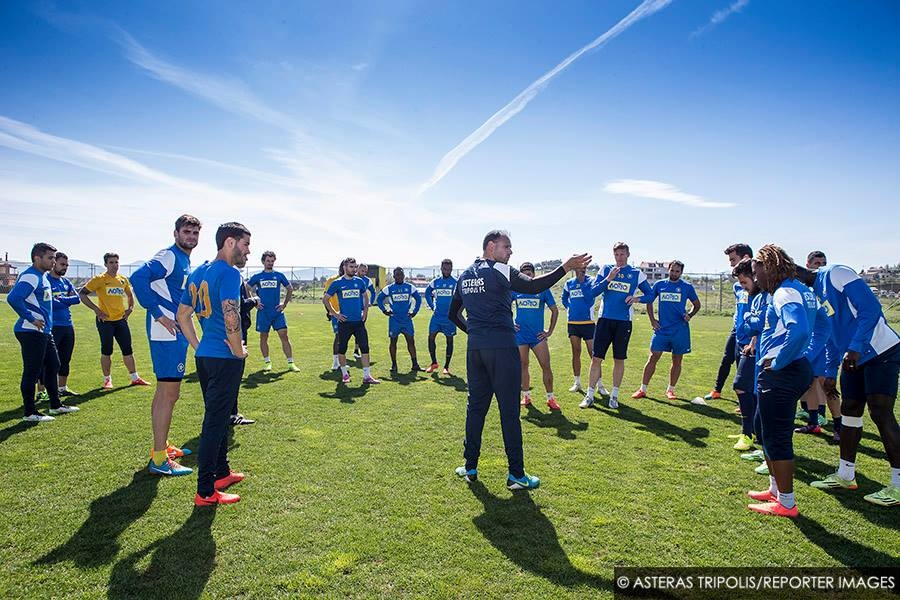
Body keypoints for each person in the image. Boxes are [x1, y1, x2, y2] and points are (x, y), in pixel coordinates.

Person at [448, 229, 590, 490]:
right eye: (507, 247)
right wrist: (565, 267)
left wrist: (476, 332)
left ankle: (469, 467)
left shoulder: (465, 275)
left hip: (476, 350)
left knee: (475, 408)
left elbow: (453, 314)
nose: (511, 252)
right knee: (509, 411)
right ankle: (516, 475)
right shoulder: (501, 270)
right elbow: (534, 286)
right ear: (491, 247)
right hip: (502, 349)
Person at [801, 264, 900, 507]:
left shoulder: (836, 273)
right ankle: (846, 475)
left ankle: (898, 485)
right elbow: (831, 334)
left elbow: (871, 309)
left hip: (880, 352)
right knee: (850, 411)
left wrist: (855, 346)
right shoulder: (812, 294)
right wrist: (830, 371)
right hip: (852, 358)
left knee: (880, 413)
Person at [177, 222, 251, 506]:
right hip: (225, 358)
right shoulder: (230, 273)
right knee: (215, 422)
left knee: (218, 418)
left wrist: (199, 346)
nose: (248, 252)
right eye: (245, 245)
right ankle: (206, 491)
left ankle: (222, 473)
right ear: (230, 242)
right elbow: (231, 314)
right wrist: (238, 350)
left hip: (207, 357)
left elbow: (182, 315)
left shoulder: (198, 272)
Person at [746, 245, 816, 519]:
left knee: (777, 436)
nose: (756, 278)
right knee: (764, 429)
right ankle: (775, 490)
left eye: (757, 272)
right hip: (792, 368)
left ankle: (786, 503)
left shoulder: (784, 292)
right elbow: (822, 324)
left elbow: (799, 331)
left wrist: (779, 361)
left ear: (769, 267)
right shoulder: (801, 290)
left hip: (782, 372)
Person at [130, 214, 201, 476]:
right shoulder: (169, 255)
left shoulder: (183, 259)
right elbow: (138, 277)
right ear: (176, 233)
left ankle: (162, 447)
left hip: (174, 331)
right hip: (166, 332)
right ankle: (159, 459)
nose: (191, 237)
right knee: (169, 394)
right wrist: (159, 314)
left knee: (165, 392)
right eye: (186, 232)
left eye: (195, 233)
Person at [8, 243, 79, 421]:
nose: (53, 261)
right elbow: (13, 298)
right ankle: (30, 413)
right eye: (50, 258)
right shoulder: (31, 276)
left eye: (54, 258)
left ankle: (55, 406)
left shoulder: (43, 276)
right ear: (37, 258)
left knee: (54, 365)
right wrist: (30, 318)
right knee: (32, 371)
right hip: (31, 330)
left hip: (45, 332)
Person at [581, 242, 653, 409]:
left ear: (628, 254)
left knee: (619, 359)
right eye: (616, 255)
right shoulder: (606, 269)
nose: (619, 258)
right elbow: (592, 292)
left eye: (622, 254)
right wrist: (609, 279)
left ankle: (614, 396)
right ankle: (589, 395)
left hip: (624, 322)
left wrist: (637, 299)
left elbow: (650, 295)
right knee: (596, 358)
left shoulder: (636, 273)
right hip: (605, 320)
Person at [629, 260, 700, 401]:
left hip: (680, 330)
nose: (674, 273)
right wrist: (652, 320)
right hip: (661, 329)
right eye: (672, 270)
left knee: (677, 360)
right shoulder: (659, 284)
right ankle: (642, 389)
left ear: (681, 272)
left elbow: (697, 305)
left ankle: (670, 390)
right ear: (668, 269)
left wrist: (690, 315)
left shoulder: (687, 287)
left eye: (677, 271)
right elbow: (649, 300)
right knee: (653, 356)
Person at [80, 253, 149, 388]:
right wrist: (96, 309)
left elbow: (130, 295)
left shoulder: (122, 279)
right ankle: (107, 380)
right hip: (105, 321)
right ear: (105, 264)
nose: (114, 265)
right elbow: (82, 294)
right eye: (111, 262)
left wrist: (130, 308)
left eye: (116, 262)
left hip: (121, 320)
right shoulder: (99, 279)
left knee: (127, 349)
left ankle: (135, 378)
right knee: (107, 350)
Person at [703, 244, 754, 401]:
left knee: (744, 364)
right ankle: (717, 390)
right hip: (737, 329)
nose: (731, 264)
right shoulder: (737, 286)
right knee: (727, 358)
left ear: (745, 258)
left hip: (752, 331)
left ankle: (745, 400)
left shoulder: (758, 285)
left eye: (733, 260)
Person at [511, 262, 560, 410]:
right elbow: (503, 306)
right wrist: (510, 323)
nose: (527, 275)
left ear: (534, 274)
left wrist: (549, 331)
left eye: (529, 273)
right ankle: (526, 396)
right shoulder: (516, 289)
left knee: (545, 366)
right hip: (520, 336)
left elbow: (555, 310)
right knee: (523, 365)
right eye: (524, 273)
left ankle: (550, 398)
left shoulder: (542, 288)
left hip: (538, 337)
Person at [323, 258, 380, 384]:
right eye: (351, 267)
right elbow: (325, 299)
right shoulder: (337, 283)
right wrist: (335, 314)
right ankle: (344, 374)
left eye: (355, 267)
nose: (354, 269)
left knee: (365, 348)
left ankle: (367, 376)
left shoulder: (359, 282)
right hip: (345, 323)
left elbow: (365, 296)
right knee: (342, 349)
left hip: (358, 322)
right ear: (345, 267)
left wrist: (365, 311)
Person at [729, 258, 763, 451]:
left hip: (754, 346)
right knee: (749, 389)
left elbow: (762, 322)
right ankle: (751, 431)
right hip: (741, 342)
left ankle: (748, 433)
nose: (742, 285)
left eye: (745, 282)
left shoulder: (763, 295)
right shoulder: (741, 290)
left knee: (741, 386)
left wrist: (753, 341)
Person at [247, 251, 297, 373]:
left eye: (272, 261)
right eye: (268, 261)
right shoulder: (257, 276)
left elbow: (289, 288)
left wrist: (284, 304)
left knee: (284, 336)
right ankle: (267, 362)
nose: (270, 263)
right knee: (264, 337)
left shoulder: (279, 275)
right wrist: (254, 302)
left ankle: (291, 363)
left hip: (277, 312)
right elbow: (246, 288)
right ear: (263, 262)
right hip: (263, 313)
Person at [376, 267, 423, 373]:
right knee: (393, 342)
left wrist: (414, 311)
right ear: (394, 276)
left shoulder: (410, 287)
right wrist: (384, 310)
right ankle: (394, 365)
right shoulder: (389, 288)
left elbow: (418, 298)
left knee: (411, 342)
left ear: (404, 276)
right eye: (397, 275)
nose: (399, 277)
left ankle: (415, 364)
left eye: (401, 275)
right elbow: (379, 299)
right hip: (394, 320)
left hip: (407, 320)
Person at [47, 252, 81, 396]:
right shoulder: (46, 280)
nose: (65, 267)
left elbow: (77, 299)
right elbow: (50, 303)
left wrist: (62, 300)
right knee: (49, 360)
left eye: (67, 265)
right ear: (54, 263)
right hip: (52, 325)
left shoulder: (65, 282)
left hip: (67, 325)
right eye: (62, 264)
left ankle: (62, 388)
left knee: (65, 358)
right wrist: (65, 300)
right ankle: (43, 391)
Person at [561, 266, 597, 393]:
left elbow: (591, 296)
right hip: (573, 323)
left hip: (588, 323)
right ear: (575, 269)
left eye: (584, 267)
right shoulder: (569, 283)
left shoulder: (592, 281)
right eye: (580, 268)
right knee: (576, 352)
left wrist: (582, 282)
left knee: (594, 355)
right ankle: (577, 382)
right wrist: (569, 308)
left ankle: (599, 384)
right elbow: (564, 298)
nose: (582, 270)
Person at [424, 259, 458, 375]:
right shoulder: (435, 282)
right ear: (441, 268)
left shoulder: (455, 282)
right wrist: (432, 305)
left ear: (451, 269)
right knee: (431, 337)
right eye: (444, 268)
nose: (447, 271)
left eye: (449, 269)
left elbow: (461, 298)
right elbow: (427, 293)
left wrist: (456, 310)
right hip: (437, 316)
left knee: (449, 340)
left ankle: (446, 367)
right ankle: (434, 363)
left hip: (449, 318)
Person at [232, 277, 258, 425]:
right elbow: (239, 305)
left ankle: (230, 413)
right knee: (233, 376)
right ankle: (231, 414)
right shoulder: (232, 275)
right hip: (235, 332)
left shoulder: (205, 273)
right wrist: (254, 301)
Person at [323, 261, 347, 370]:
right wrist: (329, 311)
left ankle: (341, 362)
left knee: (343, 338)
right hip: (336, 313)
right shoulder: (332, 280)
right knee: (338, 336)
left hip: (347, 313)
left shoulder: (350, 280)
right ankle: (335, 362)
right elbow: (325, 297)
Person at [353, 263, 377, 359]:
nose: (364, 273)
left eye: (365, 271)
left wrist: (370, 302)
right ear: (357, 269)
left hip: (363, 309)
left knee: (360, 329)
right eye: (362, 271)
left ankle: (356, 350)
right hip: (351, 309)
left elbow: (373, 292)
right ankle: (340, 353)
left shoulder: (367, 280)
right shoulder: (351, 278)